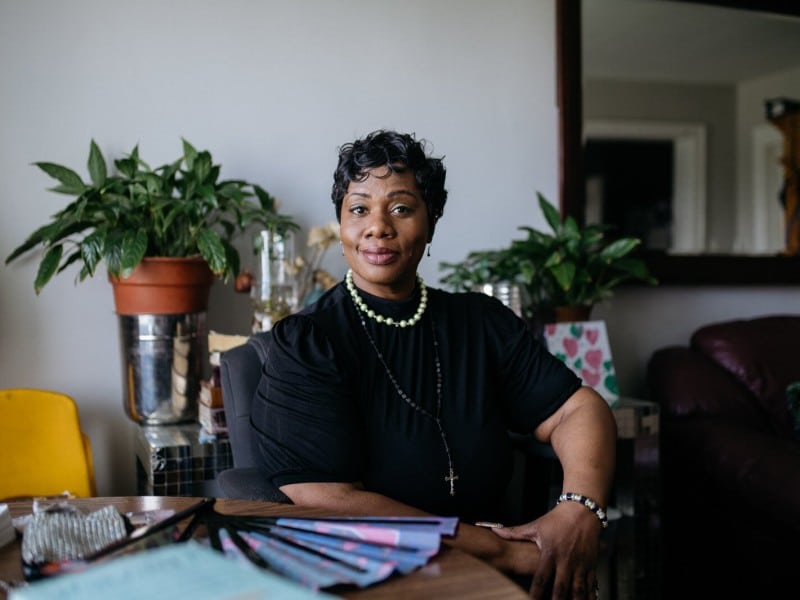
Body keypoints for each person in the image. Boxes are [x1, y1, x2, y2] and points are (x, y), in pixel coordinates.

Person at [251, 129, 618, 599]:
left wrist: (578, 511)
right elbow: (329, 499)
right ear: (341, 223)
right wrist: (498, 551)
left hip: (497, 566)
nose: (377, 227)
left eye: (401, 208)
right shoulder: (309, 342)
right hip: (380, 576)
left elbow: (577, 409)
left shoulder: (480, 323)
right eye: (359, 209)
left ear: (432, 219)